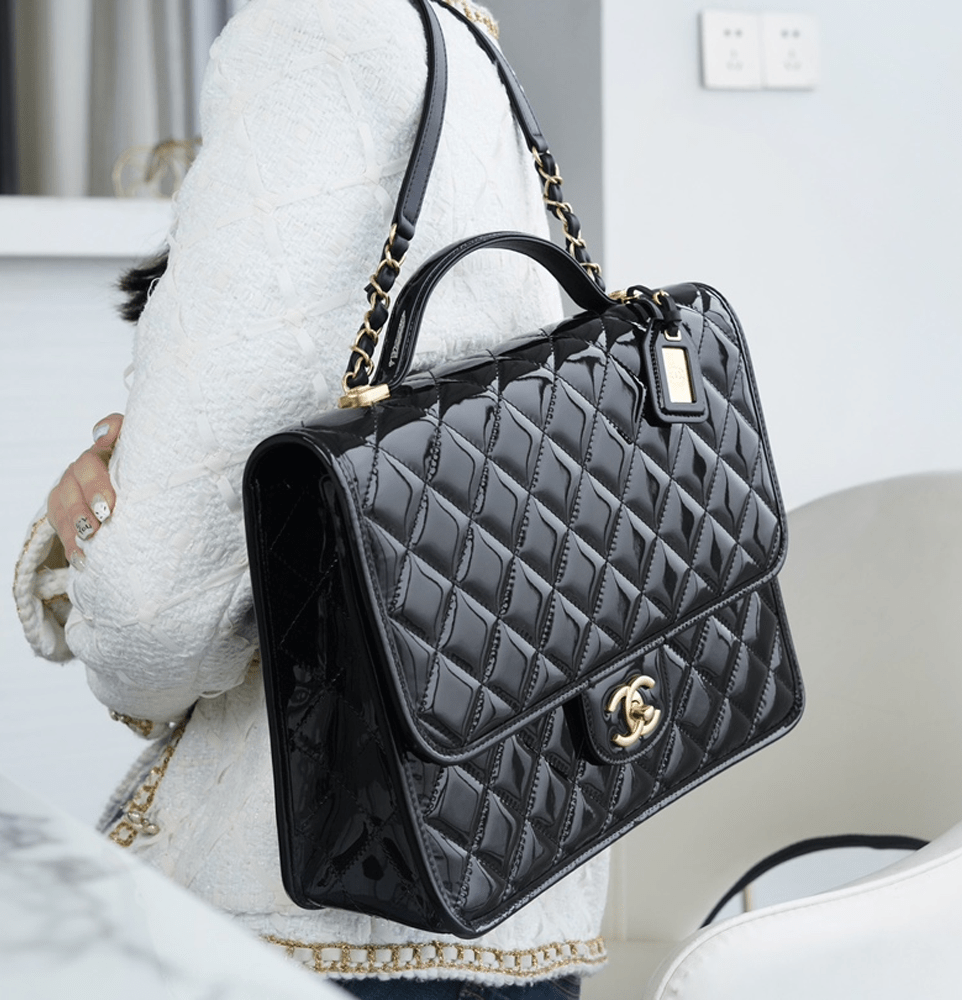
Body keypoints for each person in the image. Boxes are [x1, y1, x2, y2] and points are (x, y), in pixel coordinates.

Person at [12, 1, 609, 996]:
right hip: (518, 867)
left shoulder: (314, 29)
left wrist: (85, 554)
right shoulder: (460, 37)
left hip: (321, 916)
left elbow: (154, 616)